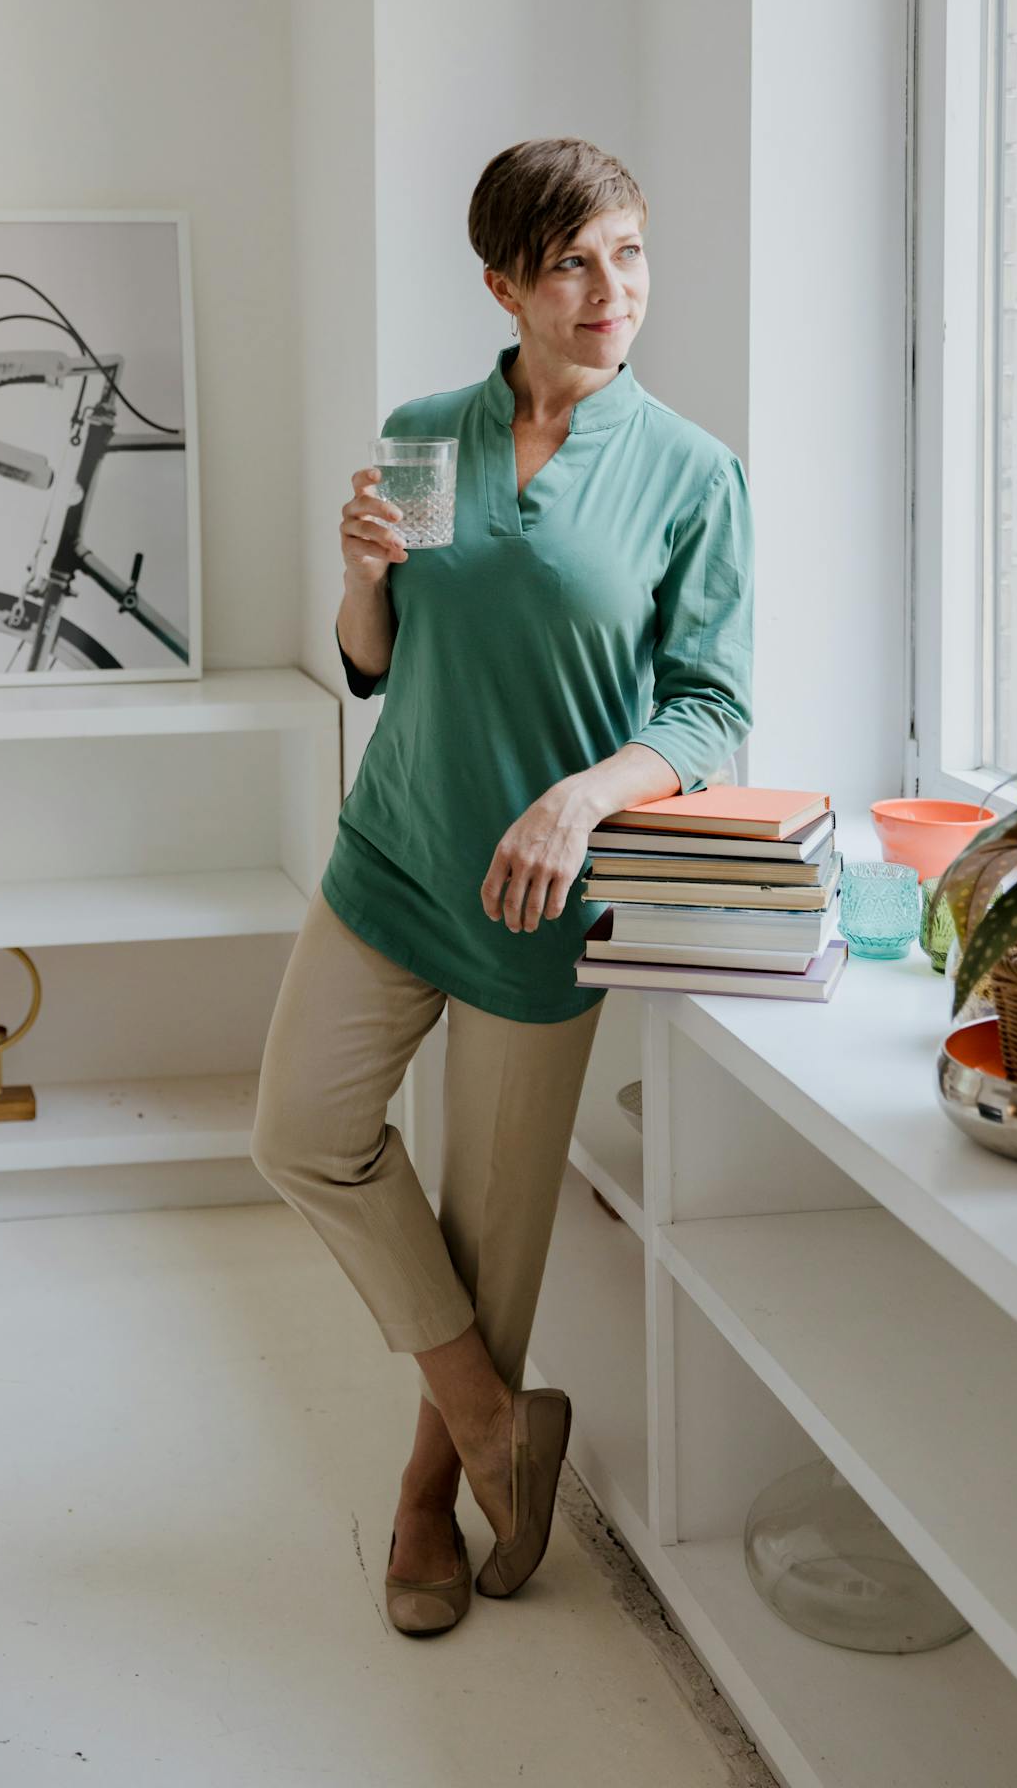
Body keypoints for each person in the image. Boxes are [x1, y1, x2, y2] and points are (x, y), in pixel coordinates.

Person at [251, 136, 754, 1635]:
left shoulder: (692, 473)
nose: (613, 293)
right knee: (301, 1134)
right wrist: (356, 575)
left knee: (492, 1233)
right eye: (572, 266)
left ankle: (419, 1501)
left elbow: (711, 709)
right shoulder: (425, 431)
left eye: (631, 255)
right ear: (503, 286)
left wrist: (582, 795)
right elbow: (377, 659)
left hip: (548, 902)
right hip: (392, 854)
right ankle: (491, 1426)